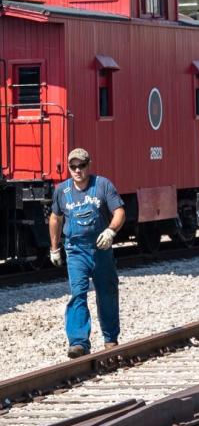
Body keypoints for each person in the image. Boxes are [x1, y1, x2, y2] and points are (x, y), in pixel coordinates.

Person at [48, 148, 124, 358]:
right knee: (78, 294)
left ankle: (110, 339)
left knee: (107, 293)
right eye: (73, 166)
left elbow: (119, 211)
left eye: (81, 165)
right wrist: (54, 248)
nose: (77, 170)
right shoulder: (62, 191)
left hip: (101, 249)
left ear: (89, 165)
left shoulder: (102, 185)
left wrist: (111, 230)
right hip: (75, 251)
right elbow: (55, 218)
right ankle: (79, 342)